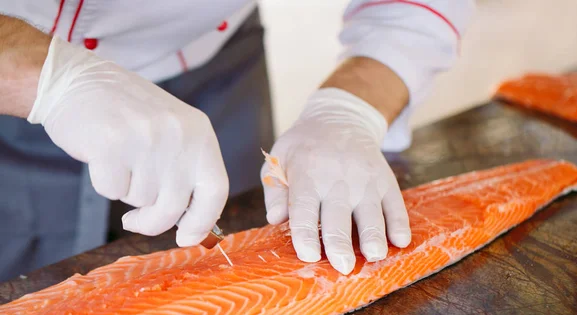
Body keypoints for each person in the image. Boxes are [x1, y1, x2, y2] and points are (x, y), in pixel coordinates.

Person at [0, 1, 475, 282]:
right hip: (12, 73)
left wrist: (351, 108)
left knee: (233, 255)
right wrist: (54, 82)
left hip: (218, 68)